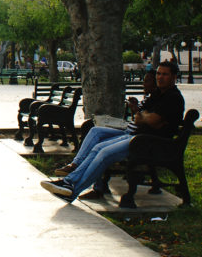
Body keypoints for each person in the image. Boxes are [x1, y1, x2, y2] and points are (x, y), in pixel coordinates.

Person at [40, 61, 184, 202]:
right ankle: (69, 181)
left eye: (165, 74)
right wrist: (145, 117)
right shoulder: (157, 95)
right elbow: (142, 117)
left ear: (174, 77)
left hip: (148, 143)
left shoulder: (173, 98)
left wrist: (145, 116)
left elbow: (150, 120)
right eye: (159, 73)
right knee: (98, 145)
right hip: (138, 136)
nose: (160, 77)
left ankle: (71, 187)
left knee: (104, 153)